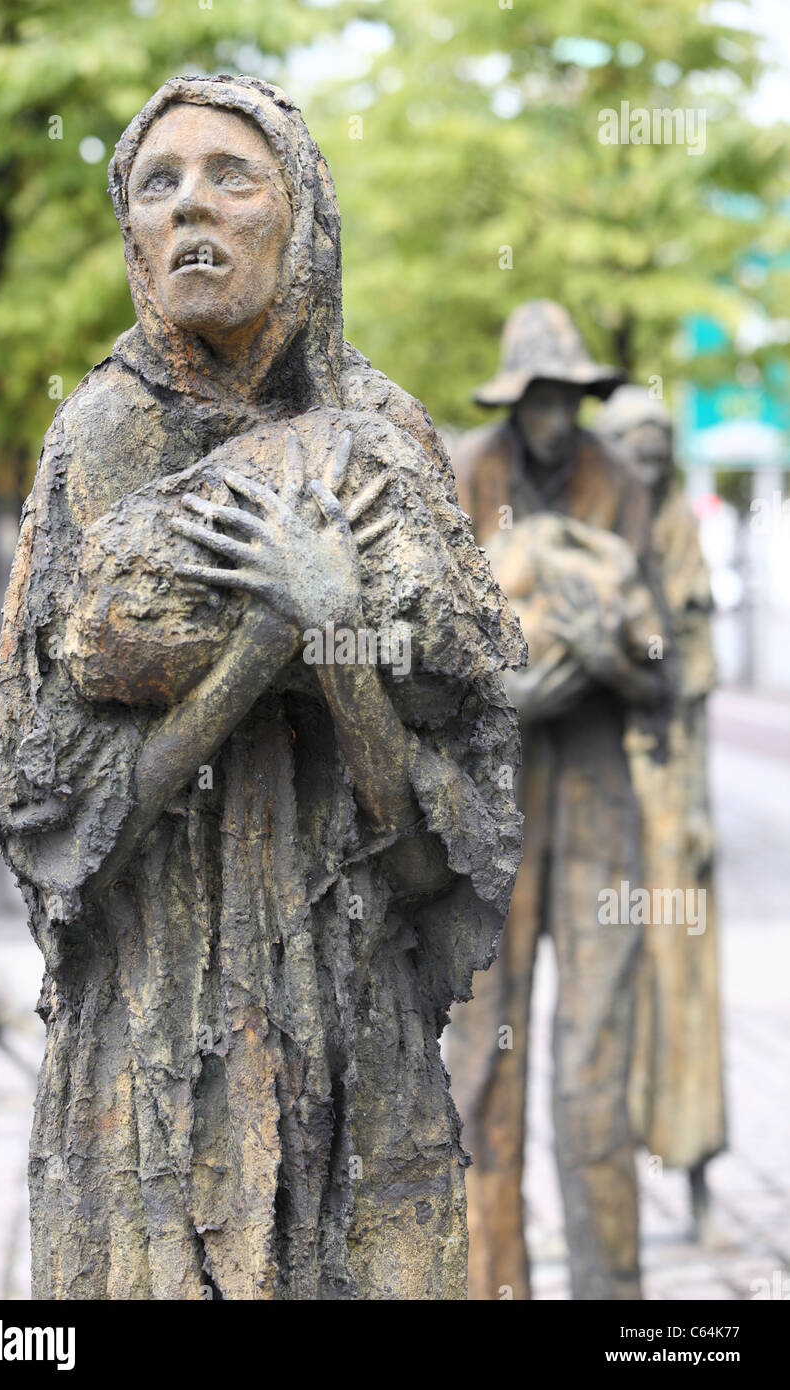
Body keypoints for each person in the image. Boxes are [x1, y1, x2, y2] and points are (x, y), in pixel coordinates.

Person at [0, 76, 524, 1301]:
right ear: (129, 228)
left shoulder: (383, 431)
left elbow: (442, 855)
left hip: (351, 1035)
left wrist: (341, 648)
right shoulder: (95, 441)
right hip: (156, 1045)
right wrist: (259, 645)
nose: (190, 211)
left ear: (304, 215)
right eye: (157, 183)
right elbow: (55, 822)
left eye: (232, 174)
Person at [446, 300, 672, 1300]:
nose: (551, 415)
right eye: (535, 396)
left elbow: (662, 665)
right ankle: (491, 1286)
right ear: (511, 399)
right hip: (491, 815)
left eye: (566, 397)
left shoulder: (616, 482)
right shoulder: (464, 475)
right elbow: (430, 659)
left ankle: (610, 1300)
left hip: (593, 810)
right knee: (482, 1068)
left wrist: (602, 663)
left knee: (591, 1064)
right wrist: (508, 693)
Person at [595, 386, 725, 1235]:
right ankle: (607, 1191)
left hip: (671, 799)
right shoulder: (597, 536)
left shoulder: (681, 537)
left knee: (686, 989)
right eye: (631, 449)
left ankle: (698, 1178)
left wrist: (701, 804)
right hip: (603, 799)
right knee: (607, 992)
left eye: (658, 449)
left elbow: (694, 689)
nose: (647, 463)